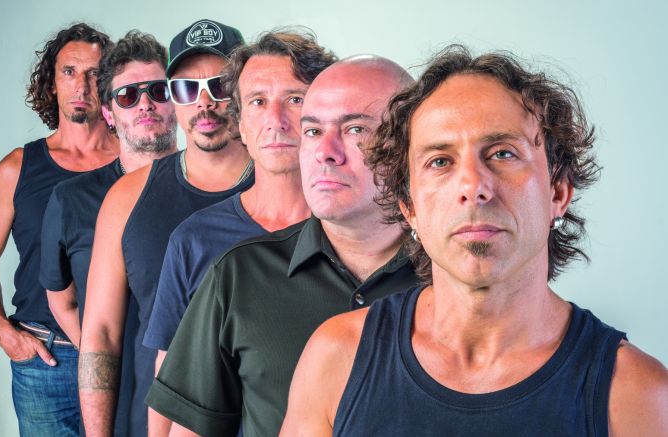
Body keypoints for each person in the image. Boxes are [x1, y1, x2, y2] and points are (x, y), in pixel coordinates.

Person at [281, 45, 668, 436]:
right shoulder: (337, 357)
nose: (473, 186)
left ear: (558, 192)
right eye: (440, 161)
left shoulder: (637, 395)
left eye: (502, 154)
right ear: (409, 207)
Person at [146, 55, 418, 437]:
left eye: (356, 129)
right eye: (313, 131)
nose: (325, 151)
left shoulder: (454, 278)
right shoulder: (237, 275)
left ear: (408, 145)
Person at [78, 19, 252, 437]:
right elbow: (100, 335)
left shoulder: (287, 189)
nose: (204, 102)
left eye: (220, 86)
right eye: (187, 88)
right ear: (173, 98)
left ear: (245, 91)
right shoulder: (128, 197)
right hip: (157, 422)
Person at [143, 28, 336, 375]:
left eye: (295, 99)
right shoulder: (194, 240)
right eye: (258, 102)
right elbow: (170, 375)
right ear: (240, 121)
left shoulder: (355, 230)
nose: (275, 121)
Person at [0, 23, 116, 436]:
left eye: (94, 74)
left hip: (120, 355)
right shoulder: (17, 168)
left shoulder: (136, 163)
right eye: (69, 72)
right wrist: (1, 329)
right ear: (51, 83)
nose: (81, 85)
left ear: (110, 83)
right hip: (43, 362)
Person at [39, 30, 176, 436]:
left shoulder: (211, 189)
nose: (145, 104)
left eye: (158, 91)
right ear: (109, 113)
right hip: (114, 407)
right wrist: (100, 358)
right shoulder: (72, 199)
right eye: (128, 96)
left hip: (195, 405)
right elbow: (61, 300)